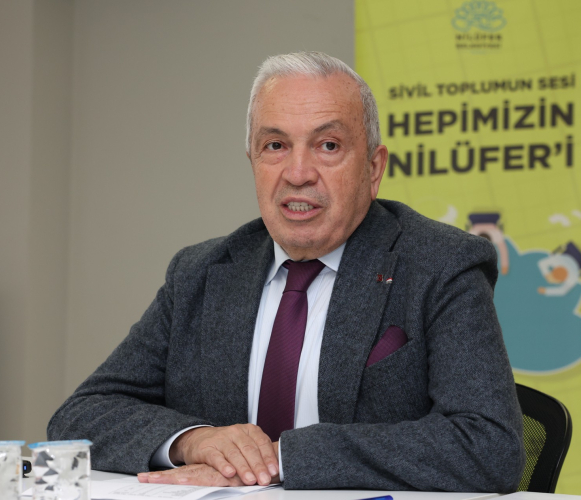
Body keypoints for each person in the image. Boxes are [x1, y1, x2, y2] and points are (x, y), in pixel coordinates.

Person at [47, 51, 525, 492]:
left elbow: (489, 444)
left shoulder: (441, 265)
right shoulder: (200, 274)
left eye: (328, 145)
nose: (298, 173)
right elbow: (80, 416)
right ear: (253, 162)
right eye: (275, 145)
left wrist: (283, 458)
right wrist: (194, 441)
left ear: (373, 169)